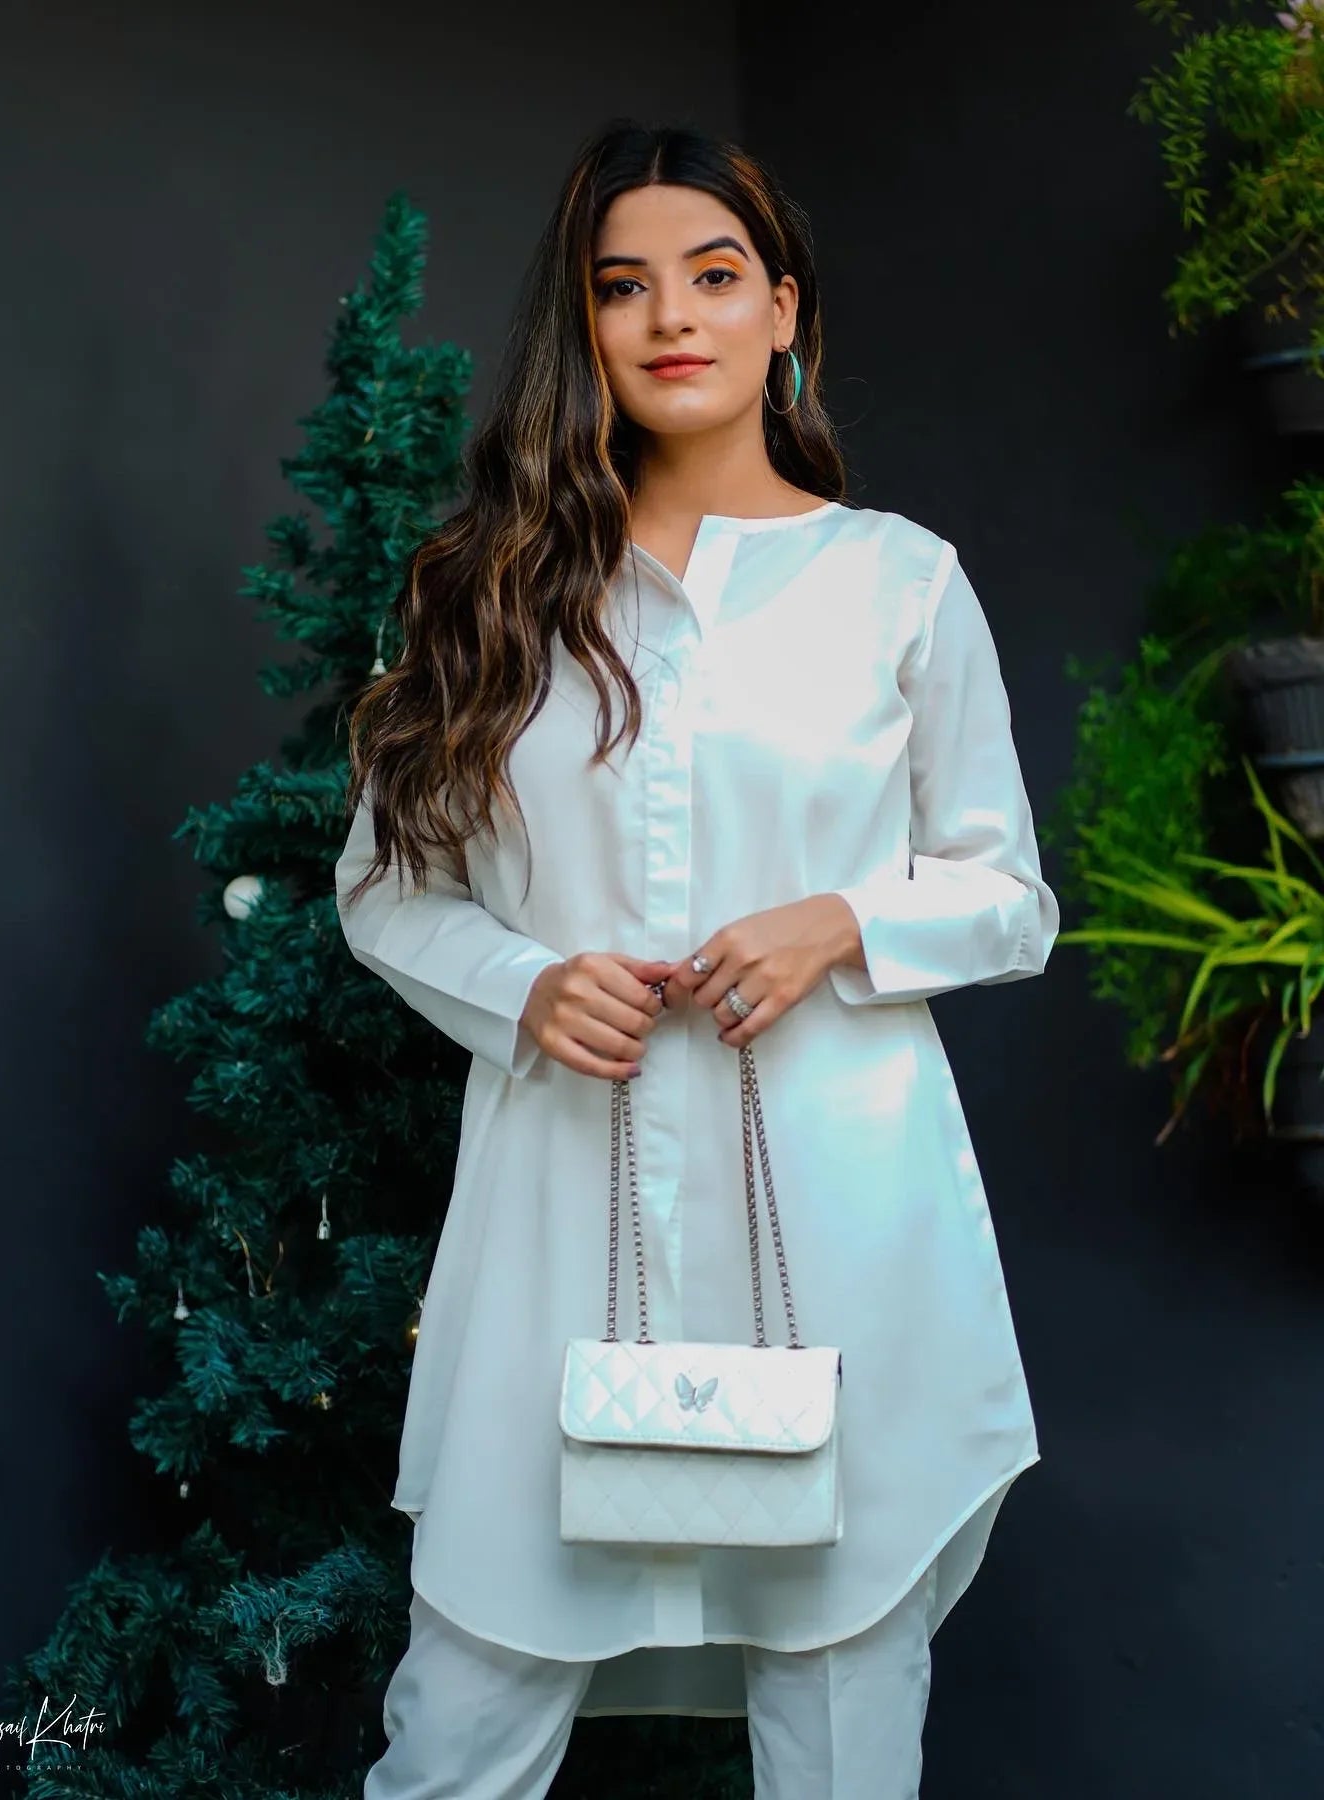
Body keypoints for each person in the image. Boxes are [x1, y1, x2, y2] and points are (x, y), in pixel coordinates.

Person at [334, 117, 1059, 1800]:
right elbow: (382, 891)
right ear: (581, 328)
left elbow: (1011, 894)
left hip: (840, 1213)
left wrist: (844, 924)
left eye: (715, 277)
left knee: (843, 1698)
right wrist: (523, 983)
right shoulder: (488, 587)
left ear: (782, 310)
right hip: (557, 1208)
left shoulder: (900, 584)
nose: (673, 316)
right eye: (623, 285)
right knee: (464, 1716)